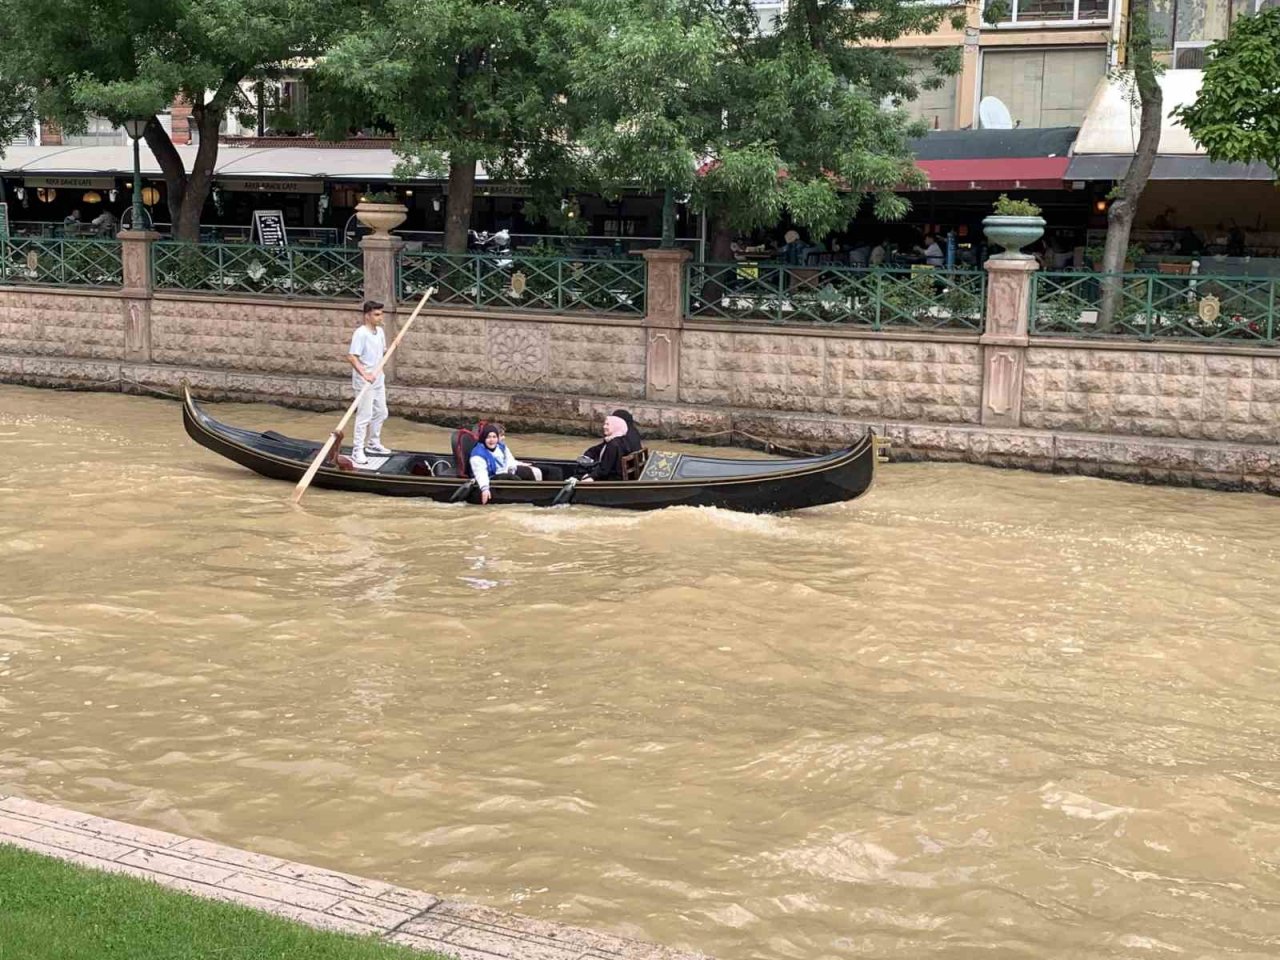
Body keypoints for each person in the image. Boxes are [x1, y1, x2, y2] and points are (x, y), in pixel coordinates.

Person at [346, 300, 391, 467]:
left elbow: (383, 351)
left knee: (381, 412)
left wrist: (391, 348)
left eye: (381, 314)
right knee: (364, 416)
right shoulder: (361, 333)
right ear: (367, 316)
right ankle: (357, 450)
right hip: (364, 380)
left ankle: (373, 443)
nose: (380, 317)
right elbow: (352, 357)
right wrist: (365, 374)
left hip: (378, 378)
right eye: (377, 314)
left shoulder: (379, 332)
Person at [470, 423, 541, 504]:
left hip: (503, 471)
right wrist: (485, 489)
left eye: (494, 437)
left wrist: (520, 465)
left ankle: (535, 491)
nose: (492, 440)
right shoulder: (478, 454)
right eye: (488, 437)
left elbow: (509, 461)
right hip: (491, 477)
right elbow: (481, 473)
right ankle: (527, 498)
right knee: (513, 478)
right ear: (483, 438)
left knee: (527, 472)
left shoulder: (500, 447)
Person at [579, 415, 629, 483]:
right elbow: (596, 450)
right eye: (605, 424)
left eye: (607, 424)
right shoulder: (620, 440)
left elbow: (605, 468)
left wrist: (591, 477)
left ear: (616, 427)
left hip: (612, 479)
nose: (604, 427)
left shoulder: (613, 445)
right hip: (614, 475)